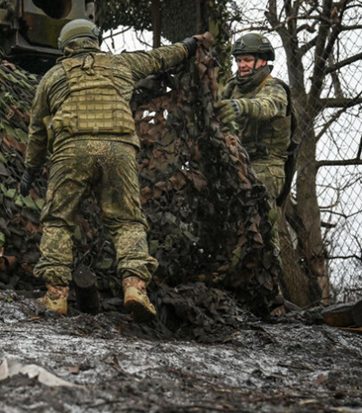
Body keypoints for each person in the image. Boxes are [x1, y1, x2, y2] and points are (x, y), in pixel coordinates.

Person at [20, 18, 201, 321]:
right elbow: (159, 57)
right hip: (118, 150)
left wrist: (30, 169)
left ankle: (56, 298)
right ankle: (135, 289)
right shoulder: (121, 65)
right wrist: (188, 46)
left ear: (65, 45)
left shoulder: (52, 77)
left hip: (71, 150)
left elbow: (37, 130)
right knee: (127, 220)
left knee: (58, 220)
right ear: (95, 40)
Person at [214, 33, 293, 309]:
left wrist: (239, 106)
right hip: (237, 163)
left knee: (264, 225)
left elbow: (267, 107)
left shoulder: (275, 88)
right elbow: (214, 108)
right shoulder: (232, 86)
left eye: (246, 59)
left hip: (267, 165)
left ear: (262, 61)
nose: (242, 65)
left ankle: (272, 295)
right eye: (238, 60)